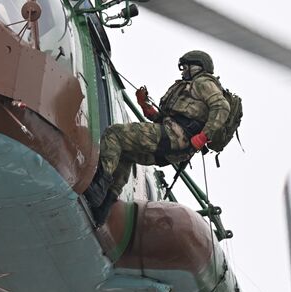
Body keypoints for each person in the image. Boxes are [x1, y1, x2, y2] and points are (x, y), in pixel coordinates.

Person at [84, 50, 231, 225]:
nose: (183, 71)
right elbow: (165, 120)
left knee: (114, 133)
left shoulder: (203, 82)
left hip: (175, 137)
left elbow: (222, 107)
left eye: (186, 67)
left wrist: (204, 136)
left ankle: (99, 185)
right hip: (172, 145)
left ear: (198, 67)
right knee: (125, 152)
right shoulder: (189, 88)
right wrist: (146, 108)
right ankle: (104, 207)